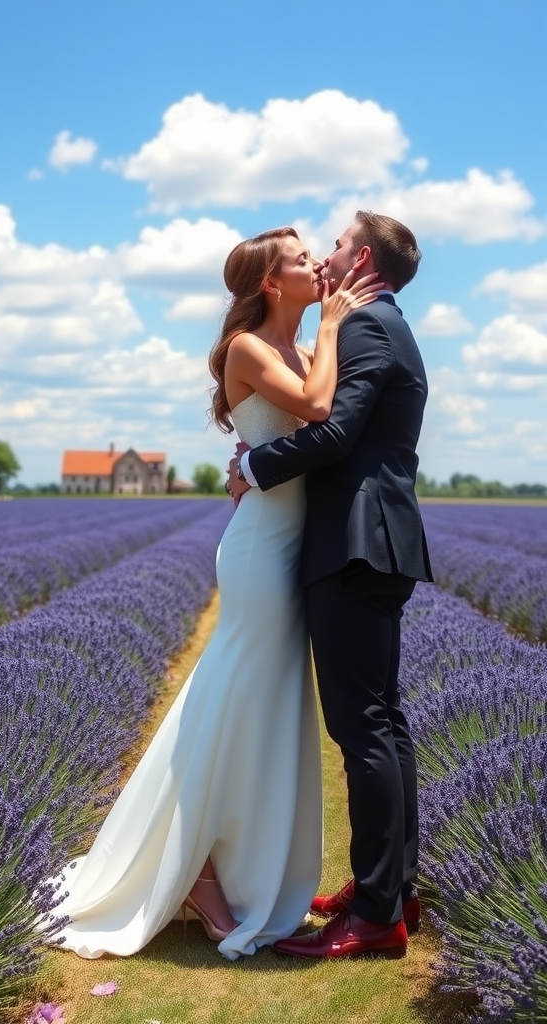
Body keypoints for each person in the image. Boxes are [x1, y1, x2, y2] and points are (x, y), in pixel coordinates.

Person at [42, 227, 382, 962]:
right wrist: (332, 323)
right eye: (301, 262)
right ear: (270, 284)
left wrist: (324, 337)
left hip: (298, 541)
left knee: (268, 705)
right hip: (262, 546)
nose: (316, 266)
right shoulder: (250, 350)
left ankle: (232, 862)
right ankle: (195, 869)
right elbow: (320, 411)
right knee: (237, 691)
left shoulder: (295, 347)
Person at [228, 210, 433, 960]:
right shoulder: (380, 322)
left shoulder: (368, 326)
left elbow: (335, 431)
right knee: (385, 721)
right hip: (373, 542)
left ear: (366, 261)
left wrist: (251, 468)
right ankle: (394, 887)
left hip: (354, 544)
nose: (327, 255)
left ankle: (378, 912)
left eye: (339, 244)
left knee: (364, 729)